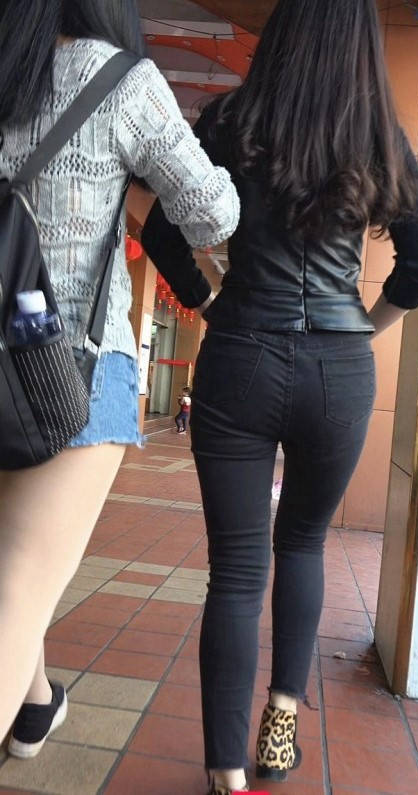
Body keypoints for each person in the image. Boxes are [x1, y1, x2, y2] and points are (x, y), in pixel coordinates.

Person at [142, 0, 418, 792]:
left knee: (235, 571)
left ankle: (224, 771)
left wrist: (210, 304)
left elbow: (163, 233)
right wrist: (357, 331)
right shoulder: (379, 136)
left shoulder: (229, 120)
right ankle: (278, 733)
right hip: (337, 370)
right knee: (301, 543)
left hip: (239, 354)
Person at [0, 0, 239, 753]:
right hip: (64, 367)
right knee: (17, 583)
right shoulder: (119, 80)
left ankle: (35, 704)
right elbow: (213, 213)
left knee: (13, 568)